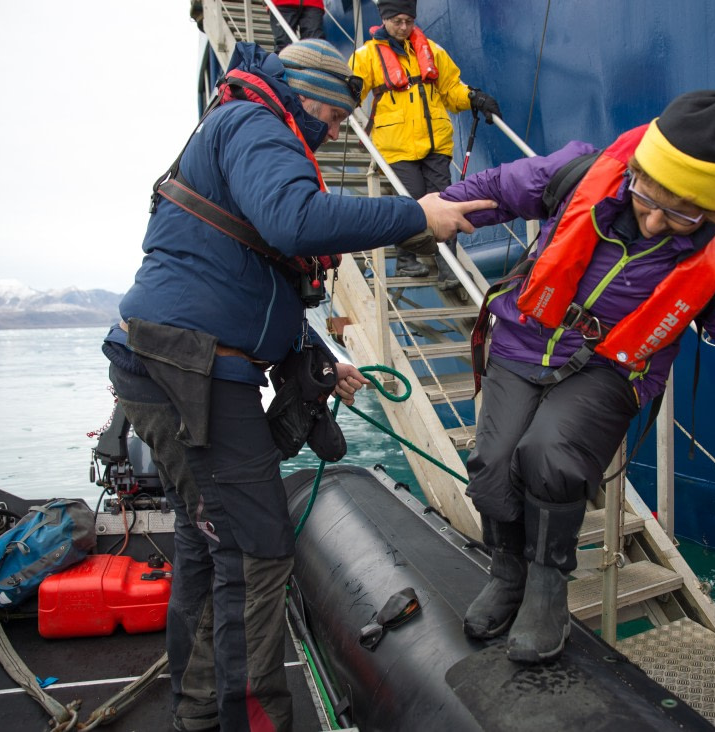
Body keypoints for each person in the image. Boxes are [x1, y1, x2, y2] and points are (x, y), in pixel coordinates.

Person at [101, 39, 492, 732]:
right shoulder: (259, 124)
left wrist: (310, 356)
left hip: (168, 359)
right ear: (309, 94)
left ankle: (195, 715)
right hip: (190, 369)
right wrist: (416, 215)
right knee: (257, 551)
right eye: (338, 116)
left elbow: (248, 277)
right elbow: (295, 221)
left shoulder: (244, 125)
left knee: (205, 543)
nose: (340, 130)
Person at [438, 89, 715, 664]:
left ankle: (546, 586)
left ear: (711, 211)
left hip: (614, 367)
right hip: (523, 339)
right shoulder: (581, 170)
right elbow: (499, 187)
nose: (656, 219)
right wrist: (431, 207)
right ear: (635, 171)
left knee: (550, 456)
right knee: (491, 464)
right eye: (648, 196)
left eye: (682, 213)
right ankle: (508, 570)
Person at [349, 0, 502, 286]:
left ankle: (449, 269)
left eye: (409, 21)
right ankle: (406, 260)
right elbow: (352, 92)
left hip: (436, 144)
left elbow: (451, 88)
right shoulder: (366, 56)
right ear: (384, 20)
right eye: (397, 22)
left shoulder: (431, 50)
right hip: (396, 147)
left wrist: (473, 97)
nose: (404, 27)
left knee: (448, 201)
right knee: (413, 200)